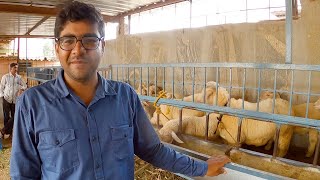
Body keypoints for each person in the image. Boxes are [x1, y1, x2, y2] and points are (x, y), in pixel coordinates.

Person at [10, 1, 230, 179]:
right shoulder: (32, 103)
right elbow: (24, 174)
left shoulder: (125, 97)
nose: (78, 49)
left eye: (89, 40)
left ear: (102, 46)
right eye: (68, 40)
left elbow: (153, 150)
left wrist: (200, 168)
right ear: (57, 47)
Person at [0, 63, 26, 138]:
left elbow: (25, 85)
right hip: (6, 98)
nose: (16, 69)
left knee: (14, 116)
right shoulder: (5, 77)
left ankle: (4, 131)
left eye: (17, 68)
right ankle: (7, 133)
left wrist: (21, 88)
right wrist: (2, 97)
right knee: (6, 116)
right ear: (10, 69)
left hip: (15, 100)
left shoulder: (19, 77)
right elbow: (1, 87)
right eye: (15, 68)